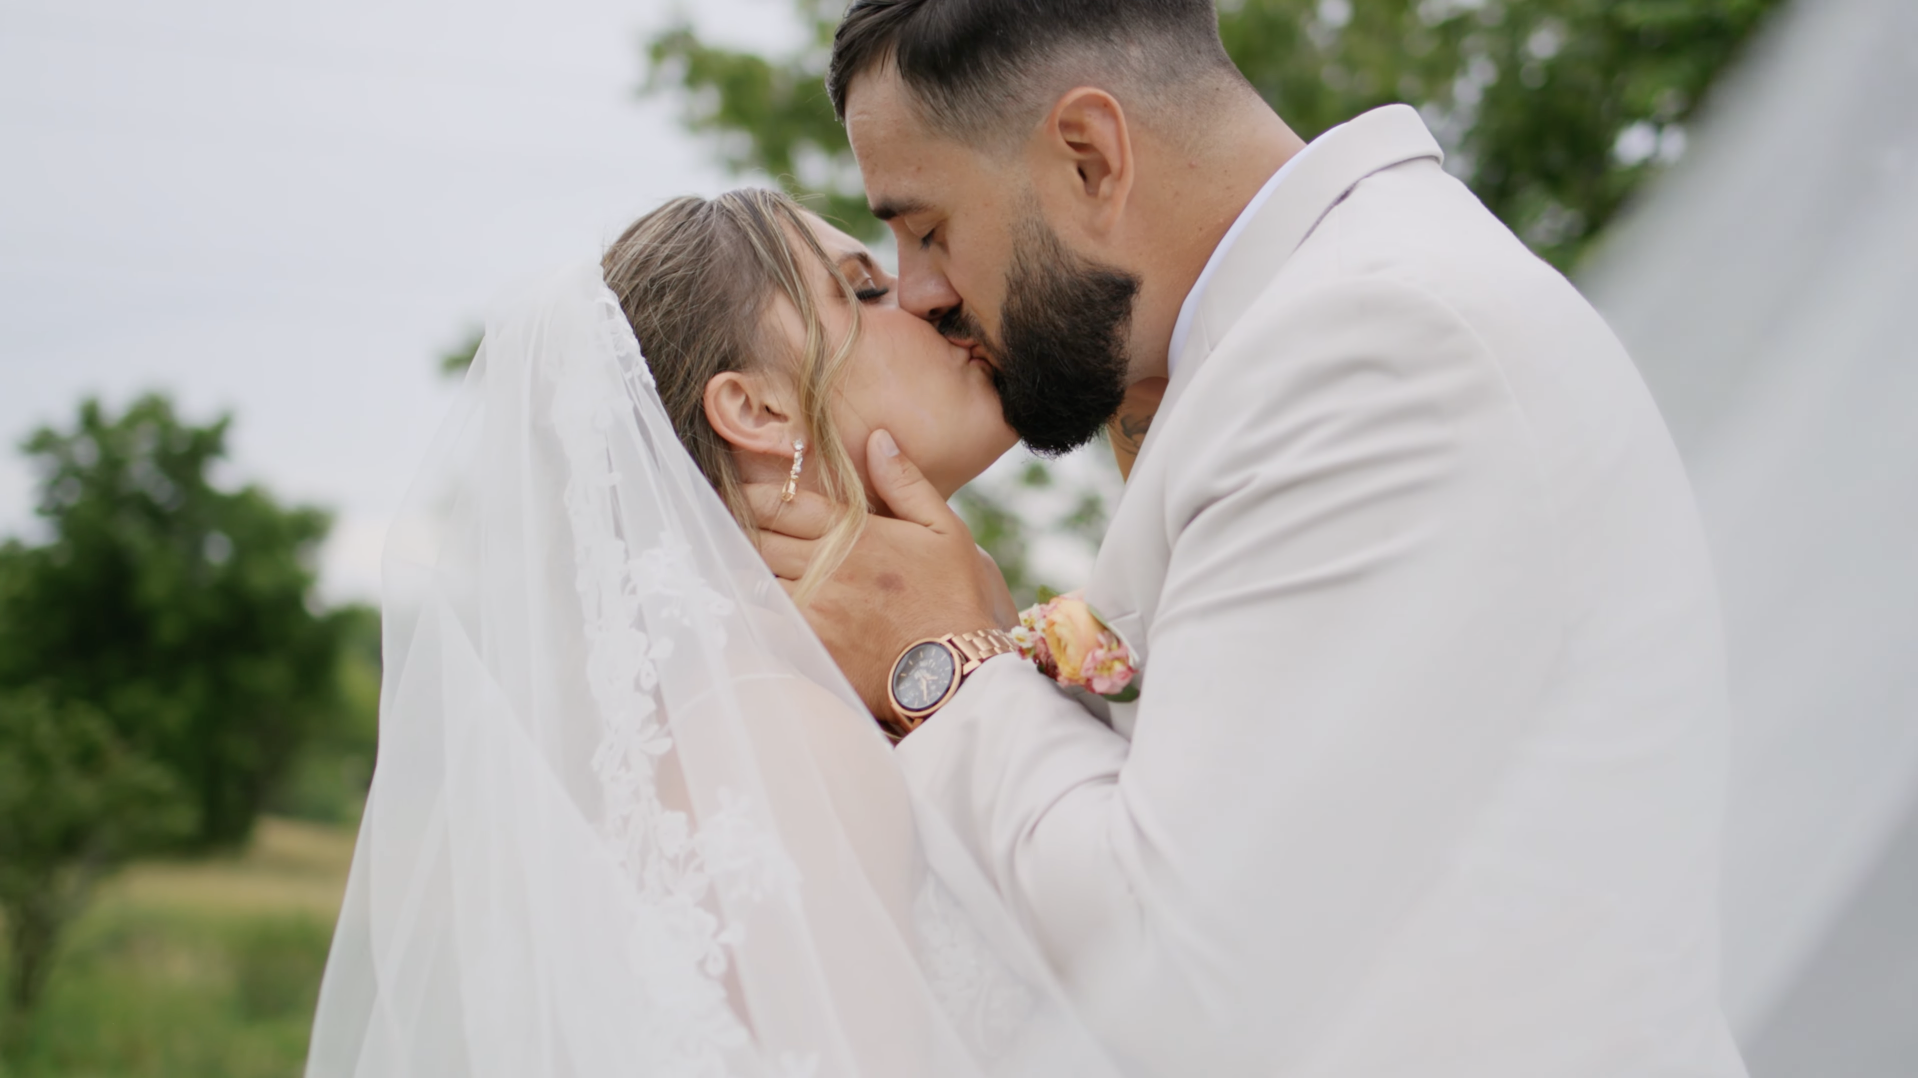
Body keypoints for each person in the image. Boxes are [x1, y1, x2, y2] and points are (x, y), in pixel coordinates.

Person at [746, 1, 1751, 1076]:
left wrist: (942, 663)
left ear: (1089, 158)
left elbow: (1185, 982)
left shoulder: (1373, 349)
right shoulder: (1313, 327)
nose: (920, 294)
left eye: (929, 229)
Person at [304, 189, 1123, 1077]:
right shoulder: (774, 737)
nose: (932, 300)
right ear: (757, 411)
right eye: (864, 291)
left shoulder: (799, 706)